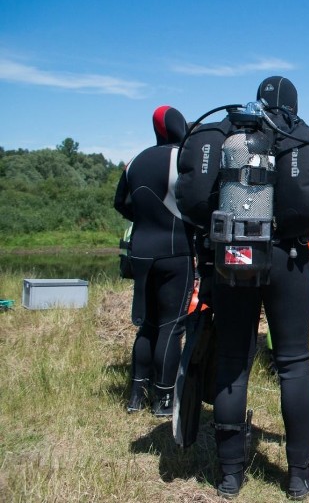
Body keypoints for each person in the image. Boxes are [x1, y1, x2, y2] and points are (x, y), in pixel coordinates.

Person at [176, 76, 309, 500]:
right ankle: (298, 475)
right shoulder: (301, 139)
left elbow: (196, 205)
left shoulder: (230, 135)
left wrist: (205, 260)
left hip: (233, 255)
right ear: (294, 104)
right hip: (288, 260)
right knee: (293, 364)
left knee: (234, 358)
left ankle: (230, 475)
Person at [114, 106, 195, 416]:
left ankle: (136, 395)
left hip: (140, 250)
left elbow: (120, 202)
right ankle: (162, 399)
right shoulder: (183, 159)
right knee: (171, 326)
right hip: (175, 250)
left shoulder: (136, 160)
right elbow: (197, 202)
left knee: (146, 324)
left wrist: (146, 219)